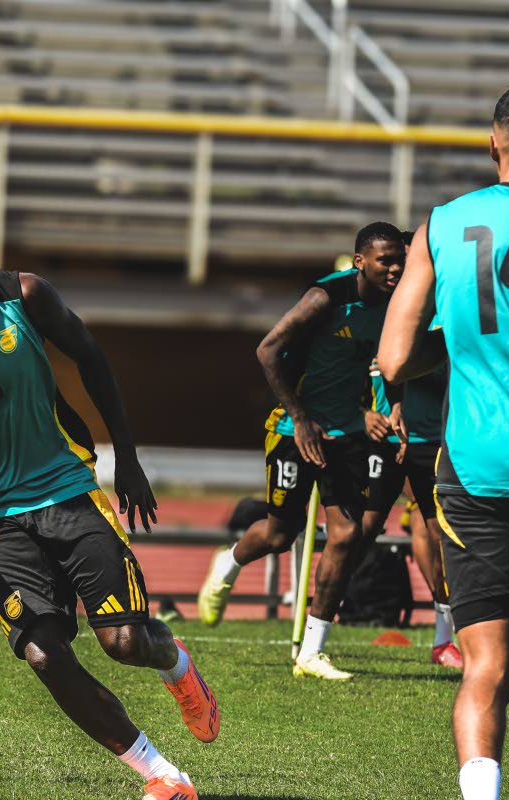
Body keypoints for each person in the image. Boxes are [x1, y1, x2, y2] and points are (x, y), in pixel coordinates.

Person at [0, 193, 217, 800]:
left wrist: (127, 458)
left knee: (126, 644)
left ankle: (177, 666)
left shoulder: (23, 295)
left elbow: (92, 359)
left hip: (70, 494)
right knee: (43, 654)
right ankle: (161, 774)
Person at [379, 81, 509, 800]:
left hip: (476, 470)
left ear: (493, 143)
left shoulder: (442, 224)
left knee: (485, 663)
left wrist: (459, 343)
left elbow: (394, 360)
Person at [197, 222, 406, 680]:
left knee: (347, 536)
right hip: (295, 430)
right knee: (278, 535)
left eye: (398, 259)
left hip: (347, 432)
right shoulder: (324, 299)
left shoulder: (396, 303)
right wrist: (302, 417)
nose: (394, 268)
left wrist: (392, 408)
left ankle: (312, 653)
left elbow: (386, 366)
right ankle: (228, 563)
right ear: (359, 262)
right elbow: (267, 350)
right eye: (385, 260)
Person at [364, 357, 461, 667]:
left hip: (433, 440)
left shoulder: (441, 317)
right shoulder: (377, 319)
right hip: (383, 439)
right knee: (360, 532)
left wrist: (405, 362)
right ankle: (316, 633)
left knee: (438, 532)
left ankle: (444, 638)